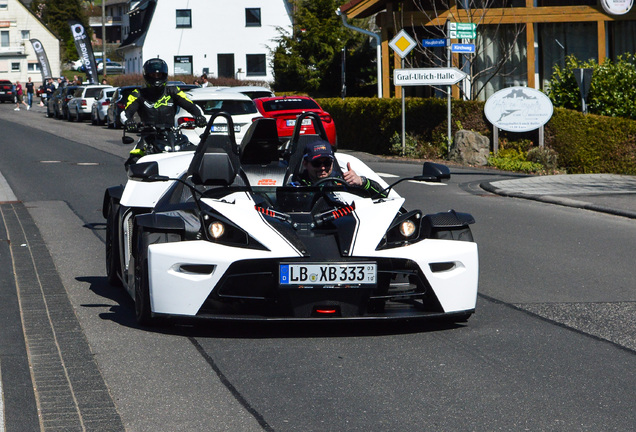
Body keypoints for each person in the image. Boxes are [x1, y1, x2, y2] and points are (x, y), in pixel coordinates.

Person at [121, 58, 206, 165]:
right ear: (146, 75)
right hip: (148, 136)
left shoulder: (173, 91)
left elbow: (192, 106)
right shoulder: (138, 94)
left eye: (159, 75)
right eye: (153, 75)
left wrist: (199, 116)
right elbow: (125, 113)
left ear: (164, 75)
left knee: (194, 156)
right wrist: (128, 121)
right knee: (133, 161)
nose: (156, 78)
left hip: (172, 135)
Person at [293, 138, 386, 197]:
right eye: (316, 163)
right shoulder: (296, 187)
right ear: (305, 164)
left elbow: (384, 196)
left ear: (332, 162)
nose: (322, 168)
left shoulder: (344, 182)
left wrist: (362, 181)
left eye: (327, 163)